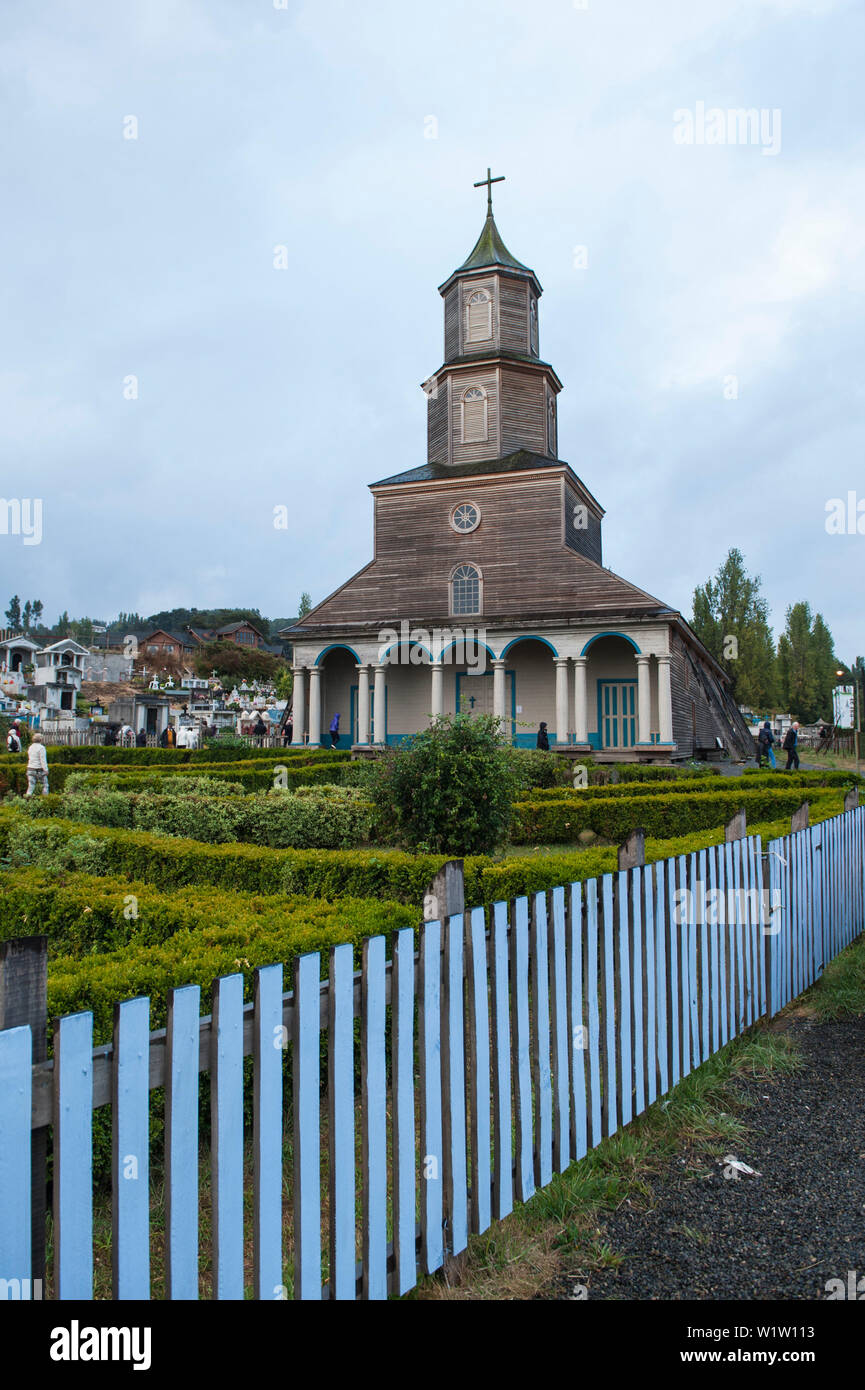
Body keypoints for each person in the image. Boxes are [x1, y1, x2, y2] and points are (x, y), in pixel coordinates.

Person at [25, 732, 49, 796]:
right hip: (39, 769)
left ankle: (27, 799)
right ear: (41, 739)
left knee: (31, 786)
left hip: (30, 768)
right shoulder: (41, 748)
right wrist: (46, 769)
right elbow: (43, 760)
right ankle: (45, 799)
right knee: (45, 785)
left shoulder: (30, 747)